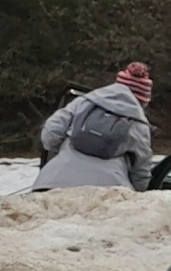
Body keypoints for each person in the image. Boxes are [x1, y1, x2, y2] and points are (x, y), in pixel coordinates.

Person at [35, 63, 154, 192]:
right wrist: (138, 192)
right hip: (109, 192)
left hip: (53, 182)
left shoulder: (84, 102)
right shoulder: (139, 124)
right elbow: (141, 169)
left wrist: (63, 153)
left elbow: (51, 131)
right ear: (142, 99)